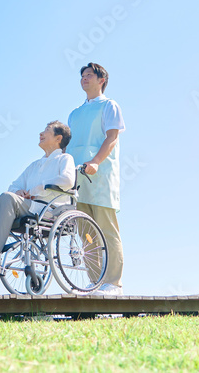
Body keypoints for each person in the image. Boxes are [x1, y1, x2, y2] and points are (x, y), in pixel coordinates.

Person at [0, 121, 75, 273]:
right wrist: (18, 192)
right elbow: (14, 186)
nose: (41, 133)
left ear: (58, 138)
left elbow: (68, 180)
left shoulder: (65, 159)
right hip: (28, 206)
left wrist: (38, 188)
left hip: (49, 209)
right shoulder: (34, 165)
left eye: (47, 130)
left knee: (7, 198)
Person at [66, 62, 125, 294]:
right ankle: (95, 282)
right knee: (86, 234)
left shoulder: (109, 105)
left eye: (89, 75)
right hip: (76, 178)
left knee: (107, 230)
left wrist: (96, 162)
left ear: (102, 80)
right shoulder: (74, 114)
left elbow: (112, 137)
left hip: (100, 176)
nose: (84, 78)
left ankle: (113, 283)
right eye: (82, 75)